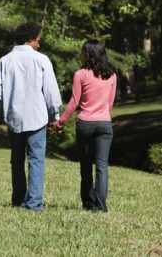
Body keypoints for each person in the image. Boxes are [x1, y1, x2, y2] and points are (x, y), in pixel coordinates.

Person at [0, 22, 62, 211]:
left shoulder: (4, 61)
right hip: (37, 117)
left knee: (16, 159)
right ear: (31, 38)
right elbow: (51, 92)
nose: (39, 43)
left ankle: (18, 199)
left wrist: (2, 113)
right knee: (36, 160)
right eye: (38, 39)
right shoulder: (42, 60)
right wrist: (55, 114)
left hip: (14, 117)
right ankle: (33, 203)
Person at [50, 40, 117, 213]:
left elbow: (73, 103)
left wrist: (60, 123)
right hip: (104, 124)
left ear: (88, 54)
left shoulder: (80, 74)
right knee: (102, 166)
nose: (80, 54)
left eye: (82, 52)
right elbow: (109, 105)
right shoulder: (111, 75)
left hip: (85, 125)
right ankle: (101, 206)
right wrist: (102, 116)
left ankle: (89, 204)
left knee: (86, 165)